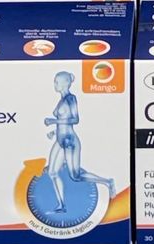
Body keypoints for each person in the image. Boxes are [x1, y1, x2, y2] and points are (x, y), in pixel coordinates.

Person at [44, 70, 114, 209]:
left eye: (57, 81)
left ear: (65, 83)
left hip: (70, 141)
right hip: (59, 140)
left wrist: (53, 122)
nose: (55, 84)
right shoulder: (61, 100)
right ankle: (61, 204)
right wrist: (54, 131)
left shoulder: (71, 99)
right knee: (52, 172)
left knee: (75, 176)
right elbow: (63, 121)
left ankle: (107, 182)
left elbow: (75, 120)